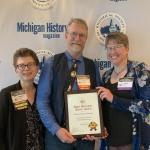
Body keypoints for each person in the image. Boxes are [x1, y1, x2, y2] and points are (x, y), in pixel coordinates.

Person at [36, 18, 103, 150]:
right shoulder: (51, 63)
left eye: (82, 35)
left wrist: (96, 128)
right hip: (57, 137)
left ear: (86, 39)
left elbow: (99, 100)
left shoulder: (92, 66)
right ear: (66, 35)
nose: (77, 38)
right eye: (73, 33)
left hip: (86, 137)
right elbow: (42, 101)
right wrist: (56, 130)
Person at [97, 32, 150, 150]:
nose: (112, 52)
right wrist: (99, 127)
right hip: (110, 143)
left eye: (117, 47)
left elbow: (147, 106)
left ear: (127, 49)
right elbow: (104, 109)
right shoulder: (106, 75)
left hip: (133, 143)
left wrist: (114, 99)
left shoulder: (139, 70)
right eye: (109, 48)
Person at [0, 48, 44, 150]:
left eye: (30, 64)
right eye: (21, 65)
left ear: (37, 67)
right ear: (16, 69)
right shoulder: (6, 94)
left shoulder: (43, 93)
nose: (26, 68)